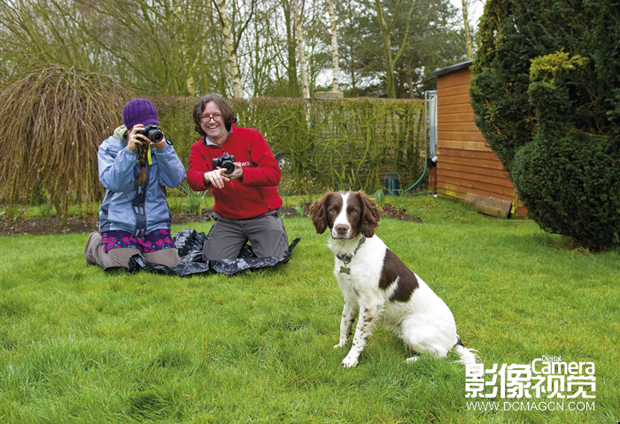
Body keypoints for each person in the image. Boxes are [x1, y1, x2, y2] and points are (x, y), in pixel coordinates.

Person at [85, 98, 187, 269]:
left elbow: (175, 180)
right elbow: (113, 183)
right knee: (124, 267)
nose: (148, 131)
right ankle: (94, 244)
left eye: (152, 125)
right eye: (142, 127)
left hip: (155, 223)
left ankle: (141, 250)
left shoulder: (160, 144)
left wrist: (164, 151)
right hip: (120, 223)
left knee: (170, 266)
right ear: (130, 128)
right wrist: (128, 152)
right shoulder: (110, 147)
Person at [187, 94, 289, 261]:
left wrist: (244, 173)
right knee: (214, 262)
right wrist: (207, 176)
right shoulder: (198, 148)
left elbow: (274, 174)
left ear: (225, 116)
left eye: (216, 115)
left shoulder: (251, 137)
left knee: (273, 259)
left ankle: (272, 236)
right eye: (205, 116)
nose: (211, 121)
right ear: (199, 122)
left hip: (262, 215)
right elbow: (193, 178)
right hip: (228, 220)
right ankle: (236, 243)